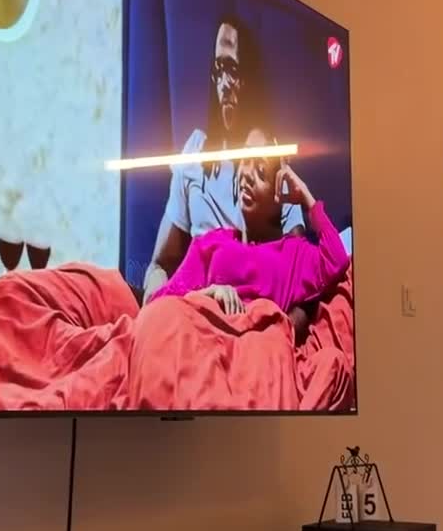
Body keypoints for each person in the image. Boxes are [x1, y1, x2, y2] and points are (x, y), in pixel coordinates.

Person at [142, 18, 303, 302]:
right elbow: (159, 265)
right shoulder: (195, 151)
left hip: (247, 310)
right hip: (193, 305)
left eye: (233, 69)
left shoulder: (273, 158)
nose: (225, 84)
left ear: (250, 78)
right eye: (218, 69)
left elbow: (299, 276)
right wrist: (157, 299)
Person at [148, 130, 349, 324]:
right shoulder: (211, 243)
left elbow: (336, 258)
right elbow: (161, 304)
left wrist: (307, 199)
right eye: (245, 161)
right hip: (202, 337)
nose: (247, 174)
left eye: (261, 172)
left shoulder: (294, 254)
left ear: (278, 193)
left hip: (256, 342)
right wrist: (208, 295)